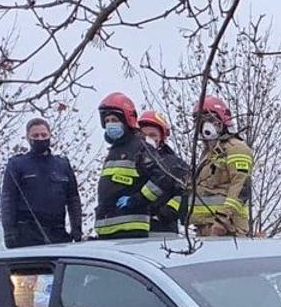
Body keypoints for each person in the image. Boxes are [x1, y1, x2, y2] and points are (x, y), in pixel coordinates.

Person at [92, 93, 177, 240]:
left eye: (114, 120)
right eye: (107, 120)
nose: (110, 124)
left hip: (130, 228)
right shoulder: (115, 151)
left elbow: (162, 178)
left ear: (127, 120)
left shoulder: (141, 147)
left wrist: (137, 200)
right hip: (107, 228)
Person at [0, 117, 83, 247]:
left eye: (44, 135)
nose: (40, 138)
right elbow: (8, 200)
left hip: (58, 234)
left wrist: (76, 229)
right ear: (28, 138)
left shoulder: (62, 165)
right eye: (35, 135)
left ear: (50, 135)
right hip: (26, 236)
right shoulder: (17, 164)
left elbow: (73, 200)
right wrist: (9, 232)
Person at [187, 95, 255, 237]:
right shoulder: (207, 154)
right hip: (205, 227)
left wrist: (223, 219)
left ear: (222, 120)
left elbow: (241, 187)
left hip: (228, 229)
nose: (204, 126)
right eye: (200, 121)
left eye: (210, 120)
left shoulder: (236, 148)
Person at [135, 110, 191, 234]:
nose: (148, 139)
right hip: (134, 227)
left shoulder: (176, 165)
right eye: (143, 135)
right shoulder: (130, 160)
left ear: (162, 138)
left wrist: (167, 212)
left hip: (164, 230)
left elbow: (186, 193)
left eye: (153, 135)